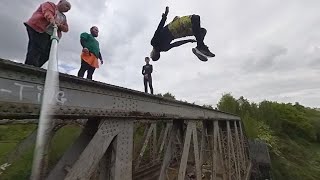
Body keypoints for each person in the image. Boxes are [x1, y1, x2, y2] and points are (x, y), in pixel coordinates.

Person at [150, 6, 215, 62]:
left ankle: (200, 47)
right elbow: (159, 28)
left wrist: (188, 40)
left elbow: (177, 43)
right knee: (195, 18)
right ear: (153, 53)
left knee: (202, 31)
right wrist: (165, 16)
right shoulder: (153, 42)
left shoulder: (164, 49)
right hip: (173, 27)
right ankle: (200, 47)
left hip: (178, 34)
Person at [24, 0, 71, 67]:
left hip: (50, 35)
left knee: (49, 53)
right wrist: (52, 20)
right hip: (38, 28)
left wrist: (59, 25)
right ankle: (30, 66)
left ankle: (36, 66)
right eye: (66, 6)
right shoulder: (50, 5)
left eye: (68, 9)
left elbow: (66, 28)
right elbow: (47, 13)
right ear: (60, 2)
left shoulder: (63, 17)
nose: (67, 9)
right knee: (37, 47)